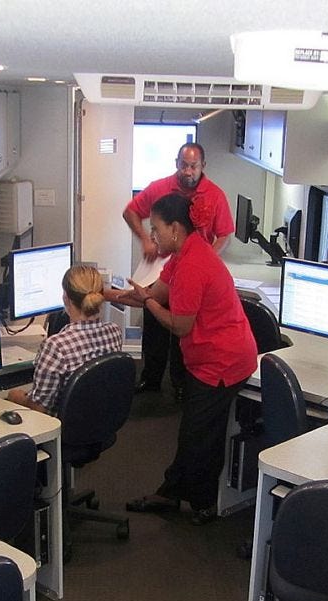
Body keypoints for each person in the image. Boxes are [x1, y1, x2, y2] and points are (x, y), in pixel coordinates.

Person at [110, 193, 257, 525]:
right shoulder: (183, 252)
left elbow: (178, 324)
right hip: (213, 354)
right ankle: (173, 492)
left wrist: (148, 303)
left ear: (175, 228)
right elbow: (154, 293)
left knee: (200, 435)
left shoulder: (193, 264)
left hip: (223, 361)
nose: (153, 236)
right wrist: (107, 294)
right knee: (196, 431)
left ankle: (202, 505)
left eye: (156, 229)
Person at [123, 142, 234, 399]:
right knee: (154, 323)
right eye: (183, 165)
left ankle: (181, 384)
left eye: (193, 166)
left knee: (184, 330)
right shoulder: (160, 187)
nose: (188, 171)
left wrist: (206, 258)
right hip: (161, 270)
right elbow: (130, 212)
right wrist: (145, 239)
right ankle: (150, 379)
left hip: (193, 273)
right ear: (176, 163)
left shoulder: (215, 195)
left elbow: (225, 234)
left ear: (202, 167)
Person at [6, 265, 122, 415]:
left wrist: (15, 397)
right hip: (102, 422)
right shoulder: (114, 332)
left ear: (65, 298)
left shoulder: (55, 347)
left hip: (63, 430)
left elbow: (39, 408)